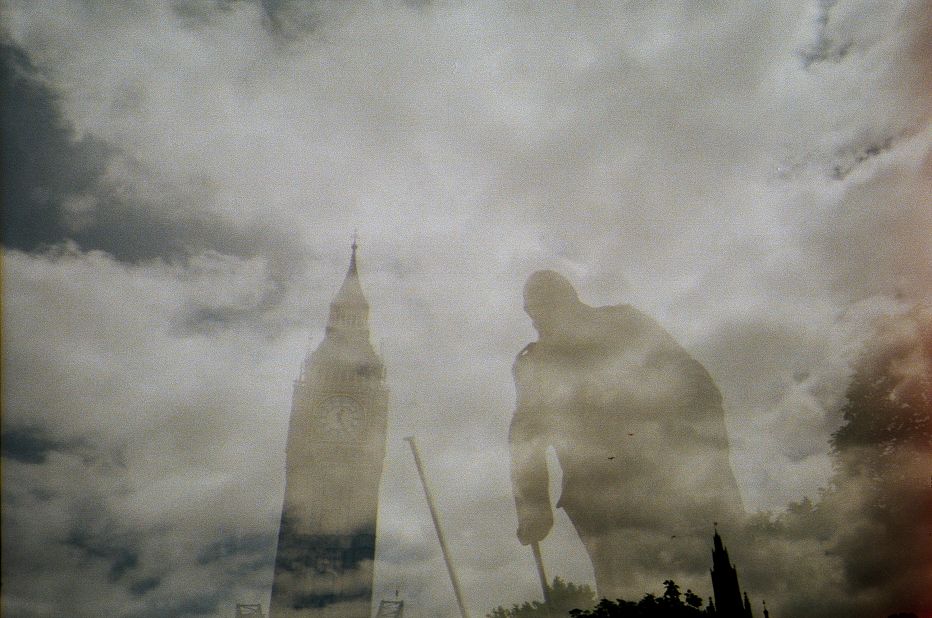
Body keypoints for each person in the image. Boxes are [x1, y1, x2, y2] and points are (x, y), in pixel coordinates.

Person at [509, 270, 743, 600]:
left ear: (568, 302)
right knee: (629, 600)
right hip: (603, 512)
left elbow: (696, 383)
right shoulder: (535, 365)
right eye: (530, 312)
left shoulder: (627, 326)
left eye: (541, 310)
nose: (535, 321)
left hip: (670, 486)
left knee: (707, 588)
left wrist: (705, 456)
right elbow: (525, 438)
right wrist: (533, 507)